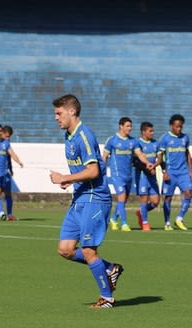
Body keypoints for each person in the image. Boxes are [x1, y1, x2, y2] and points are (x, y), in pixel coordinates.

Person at [49, 94, 123, 309]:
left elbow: (93, 170)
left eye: (59, 113)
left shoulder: (84, 136)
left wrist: (65, 178)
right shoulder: (69, 136)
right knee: (65, 249)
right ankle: (109, 269)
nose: (56, 117)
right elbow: (83, 170)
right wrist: (70, 181)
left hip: (95, 199)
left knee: (89, 250)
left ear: (72, 111)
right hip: (80, 198)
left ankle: (107, 298)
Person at [103, 117, 153, 231]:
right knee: (121, 197)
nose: (130, 128)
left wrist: (147, 163)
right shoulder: (112, 140)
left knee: (123, 200)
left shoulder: (133, 141)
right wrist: (102, 172)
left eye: (130, 126)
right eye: (127, 126)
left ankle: (114, 219)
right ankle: (124, 223)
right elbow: (105, 156)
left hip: (128, 176)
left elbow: (140, 154)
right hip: (117, 175)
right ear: (121, 126)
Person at [156, 114, 192, 231]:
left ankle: (179, 219)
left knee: (188, 194)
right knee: (168, 198)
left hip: (183, 173)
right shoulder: (165, 139)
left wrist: (191, 170)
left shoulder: (185, 138)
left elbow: (187, 154)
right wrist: (164, 171)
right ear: (172, 126)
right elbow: (160, 157)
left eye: (181, 127)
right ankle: (167, 222)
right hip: (170, 173)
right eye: (177, 126)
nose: (179, 129)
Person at [133, 122, 160, 230]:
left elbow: (160, 158)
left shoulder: (155, 144)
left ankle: (140, 213)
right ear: (143, 132)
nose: (152, 133)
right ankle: (144, 222)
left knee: (155, 201)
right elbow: (135, 161)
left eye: (153, 131)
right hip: (143, 175)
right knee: (143, 198)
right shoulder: (137, 143)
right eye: (150, 131)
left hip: (152, 175)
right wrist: (147, 169)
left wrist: (160, 168)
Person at [0, 125, 18, 221]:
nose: (8, 138)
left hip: (5, 172)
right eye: (7, 136)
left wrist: (11, 169)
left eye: (9, 137)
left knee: (6, 193)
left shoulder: (6, 143)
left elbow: (8, 157)